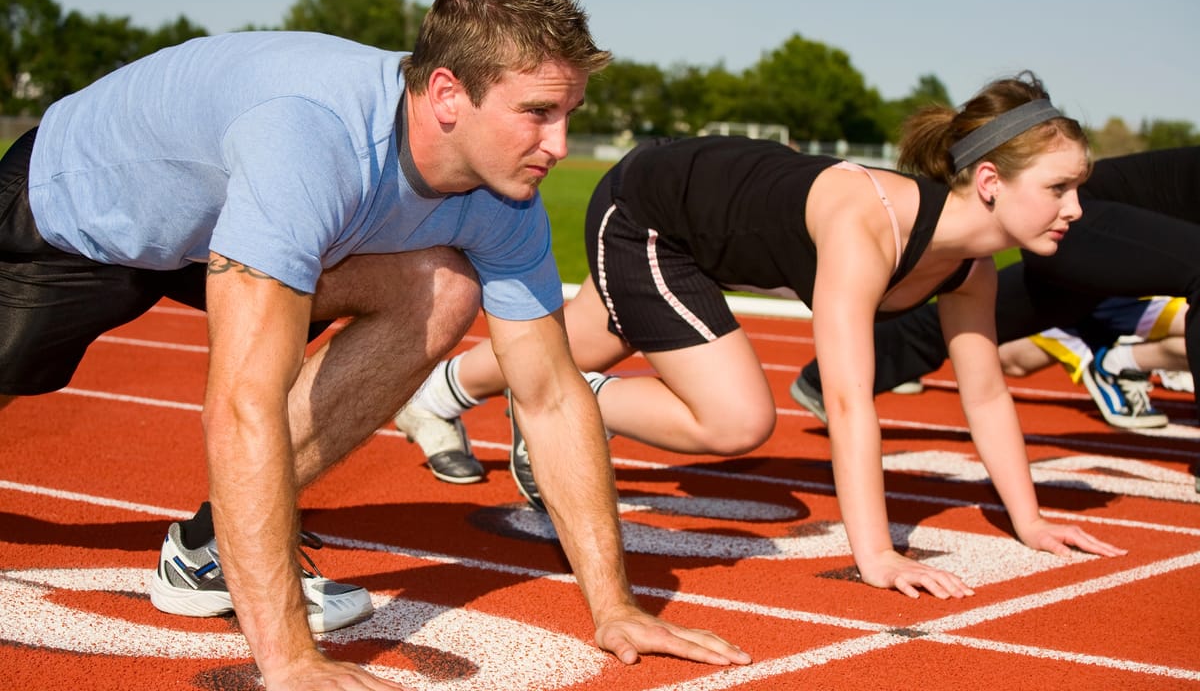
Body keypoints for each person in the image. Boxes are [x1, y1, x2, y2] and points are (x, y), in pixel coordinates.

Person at [0, 0, 750, 689]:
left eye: (568, 114)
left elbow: (552, 396)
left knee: (443, 287)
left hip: (224, 229)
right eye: (537, 113)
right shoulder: (311, 139)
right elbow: (240, 405)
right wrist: (290, 662)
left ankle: (211, 549)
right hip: (73, 213)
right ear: (448, 95)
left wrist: (615, 606)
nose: (558, 145)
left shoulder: (502, 196)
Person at [394, 72, 1126, 601]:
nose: (1077, 209)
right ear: (991, 181)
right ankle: (563, 404)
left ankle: (439, 394)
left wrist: (1028, 521)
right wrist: (876, 554)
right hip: (652, 213)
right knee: (738, 418)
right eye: (1060, 188)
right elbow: (846, 401)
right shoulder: (870, 223)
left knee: (559, 348)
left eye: (1080, 189)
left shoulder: (969, 271)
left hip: (705, 235)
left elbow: (988, 393)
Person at [789, 145, 1200, 438]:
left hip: (1101, 230)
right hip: (1078, 217)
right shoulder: (1074, 205)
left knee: (981, 319)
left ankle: (822, 381)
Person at [997, 295, 1190, 428]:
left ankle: (1127, 352)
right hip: (1131, 288)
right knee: (1011, 361)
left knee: (1014, 361)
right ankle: (1119, 361)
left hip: (1122, 286)